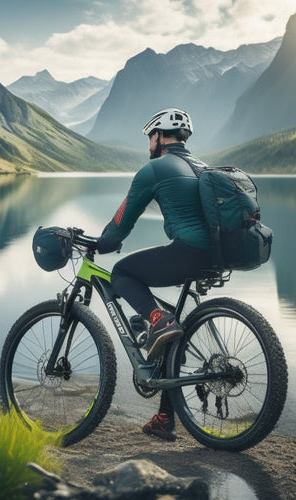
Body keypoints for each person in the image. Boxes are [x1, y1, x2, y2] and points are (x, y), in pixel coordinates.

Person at [96, 107, 213, 441]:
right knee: (174, 332)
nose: (149, 143)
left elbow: (121, 223)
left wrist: (101, 242)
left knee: (121, 273)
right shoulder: (200, 166)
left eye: (150, 136)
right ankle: (165, 418)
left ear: (160, 136)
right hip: (213, 254)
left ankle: (156, 319)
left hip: (187, 251)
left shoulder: (155, 168)